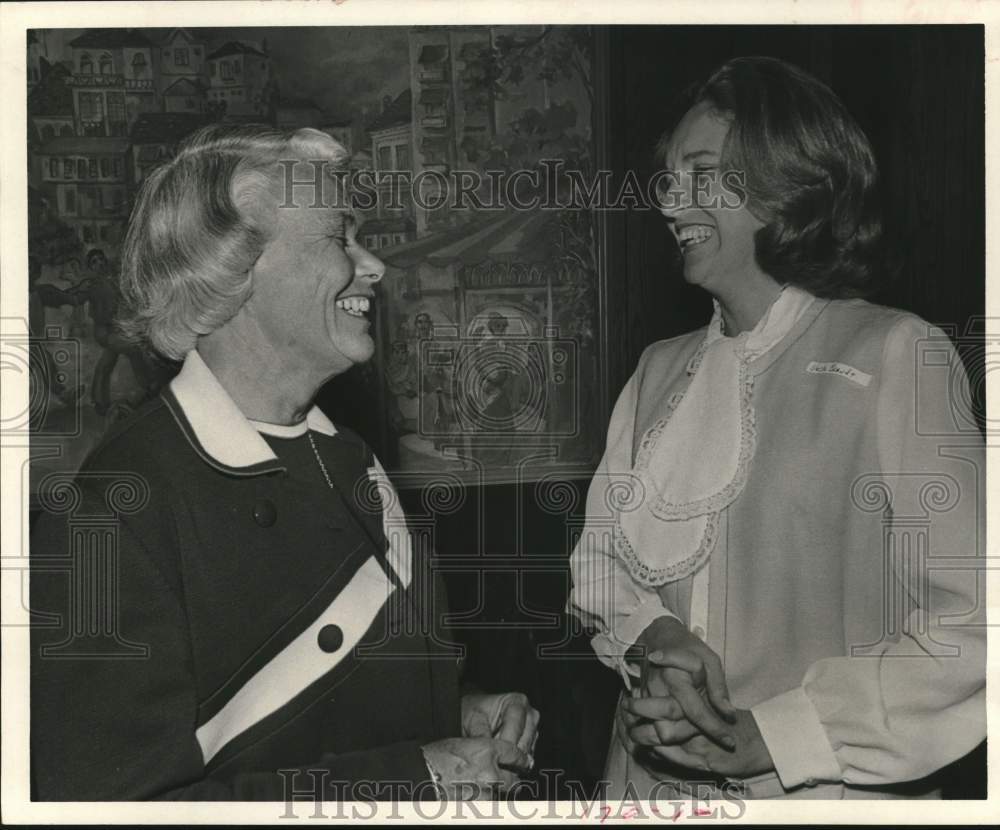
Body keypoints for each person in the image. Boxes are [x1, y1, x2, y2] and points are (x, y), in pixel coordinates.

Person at [31, 124, 539, 801]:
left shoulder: (351, 457)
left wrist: (457, 711)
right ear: (229, 272)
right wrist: (411, 779)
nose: (374, 266)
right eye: (338, 238)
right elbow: (118, 811)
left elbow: (331, 708)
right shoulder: (113, 512)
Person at [569, 57, 985, 801]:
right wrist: (654, 635)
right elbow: (601, 564)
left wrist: (778, 735)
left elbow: (975, 626)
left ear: (787, 183)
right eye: (668, 179)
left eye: (701, 174)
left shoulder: (896, 354)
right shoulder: (656, 371)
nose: (669, 202)